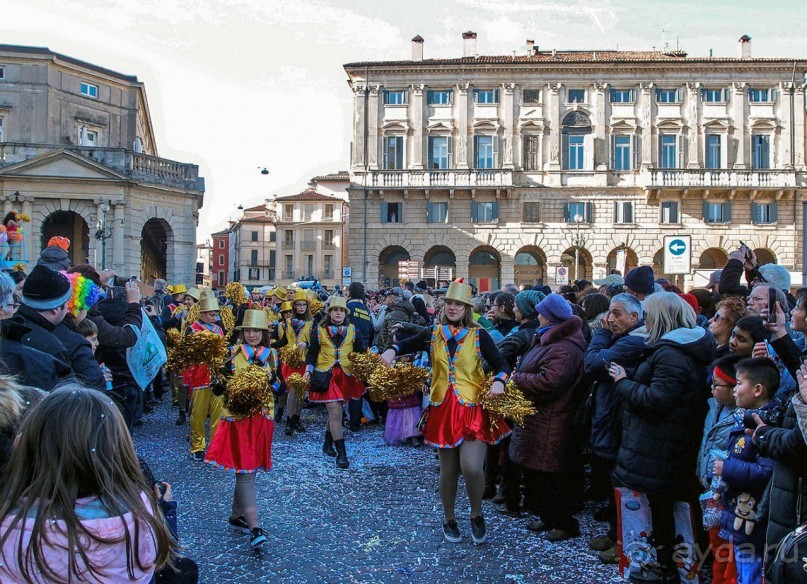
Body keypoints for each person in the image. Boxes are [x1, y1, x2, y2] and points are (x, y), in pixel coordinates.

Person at [380, 278, 511, 545]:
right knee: (448, 470)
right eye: (449, 303)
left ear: (467, 308)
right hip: (441, 408)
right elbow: (407, 343)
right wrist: (392, 350)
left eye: (458, 304)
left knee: (472, 467)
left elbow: (502, 364)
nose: (452, 307)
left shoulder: (479, 335)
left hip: (472, 409)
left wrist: (499, 380)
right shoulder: (434, 333)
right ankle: (449, 518)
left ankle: (476, 512)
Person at [0, 385, 174, 582]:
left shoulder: (10, 526)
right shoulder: (141, 510)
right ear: (118, 447)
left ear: (28, 447)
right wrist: (164, 509)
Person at [608, 292, 715, 584]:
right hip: (665, 442)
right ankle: (668, 565)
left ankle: (667, 568)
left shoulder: (671, 353)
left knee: (663, 509)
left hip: (662, 444)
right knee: (664, 507)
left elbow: (657, 398)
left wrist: (623, 382)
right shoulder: (675, 348)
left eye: (649, 315)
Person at [508, 294, 588, 542]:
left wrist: (517, 379)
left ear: (550, 317)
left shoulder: (563, 347)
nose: (538, 315)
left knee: (553, 476)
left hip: (553, 419)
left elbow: (549, 382)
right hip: (542, 417)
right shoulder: (548, 339)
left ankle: (563, 522)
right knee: (541, 474)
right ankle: (548, 516)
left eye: (541, 312)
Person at [205, 309, 279, 548]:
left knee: (248, 473)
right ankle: (255, 528)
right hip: (238, 421)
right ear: (242, 332)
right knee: (246, 474)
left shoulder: (271, 356)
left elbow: (280, 388)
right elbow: (217, 390)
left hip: (262, 420)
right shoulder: (231, 354)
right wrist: (217, 380)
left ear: (264, 333)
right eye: (248, 330)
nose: (252, 334)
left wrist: (269, 380)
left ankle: (237, 517)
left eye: (256, 330)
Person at [584, 293, 646, 562]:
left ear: (635, 317)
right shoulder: (624, 337)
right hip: (612, 418)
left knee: (621, 483)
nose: (610, 319)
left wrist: (600, 333)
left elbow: (593, 364)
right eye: (609, 313)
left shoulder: (633, 341)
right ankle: (615, 534)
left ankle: (622, 540)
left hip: (620, 421)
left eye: (617, 314)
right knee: (614, 480)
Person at [714, 358, 779, 584]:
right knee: (743, 570)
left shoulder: (767, 425)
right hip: (741, 512)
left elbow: (765, 471)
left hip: (754, 517)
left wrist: (727, 468)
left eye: (739, 383)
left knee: (750, 572)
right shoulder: (747, 418)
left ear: (758, 389)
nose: (734, 390)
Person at [303, 296, 367, 469]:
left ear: (345, 314)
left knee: (335, 414)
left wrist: (367, 365)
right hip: (326, 376)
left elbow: (361, 352)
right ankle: (342, 454)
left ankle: (327, 442)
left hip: (346, 376)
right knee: (336, 413)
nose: (338, 313)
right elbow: (311, 353)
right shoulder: (319, 330)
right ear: (329, 312)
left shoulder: (353, 330)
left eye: (341, 310)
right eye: (334, 310)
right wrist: (308, 370)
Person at [697, 353, 742, 584]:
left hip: (728, 496)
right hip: (710, 489)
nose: (712, 388)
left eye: (717, 384)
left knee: (725, 552)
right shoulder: (714, 406)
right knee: (716, 548)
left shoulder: (742, 417)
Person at [184, 290, 226, 461]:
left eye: (215, 314)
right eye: (211, 314)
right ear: (202, 313)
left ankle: (215, 447)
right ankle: (197, 446)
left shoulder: (219, 329)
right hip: (199, 375)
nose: (214, 317)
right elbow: (186, 353)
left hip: (217, 376)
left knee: (218, 413)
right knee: (198, 414)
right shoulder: (191, 329)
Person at [274, 289, 313, 436]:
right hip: (290, 362)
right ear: (294, 306)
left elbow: (315, 343)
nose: (302, 307)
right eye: (299, 304)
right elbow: (284, 341)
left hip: (303, 361)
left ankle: (296, 419)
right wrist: (269, 345)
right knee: (291, 392)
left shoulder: (311, 323)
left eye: (304, 304)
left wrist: (307, 345)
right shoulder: (288, 323)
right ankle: (289, 421)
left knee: (301, 393)